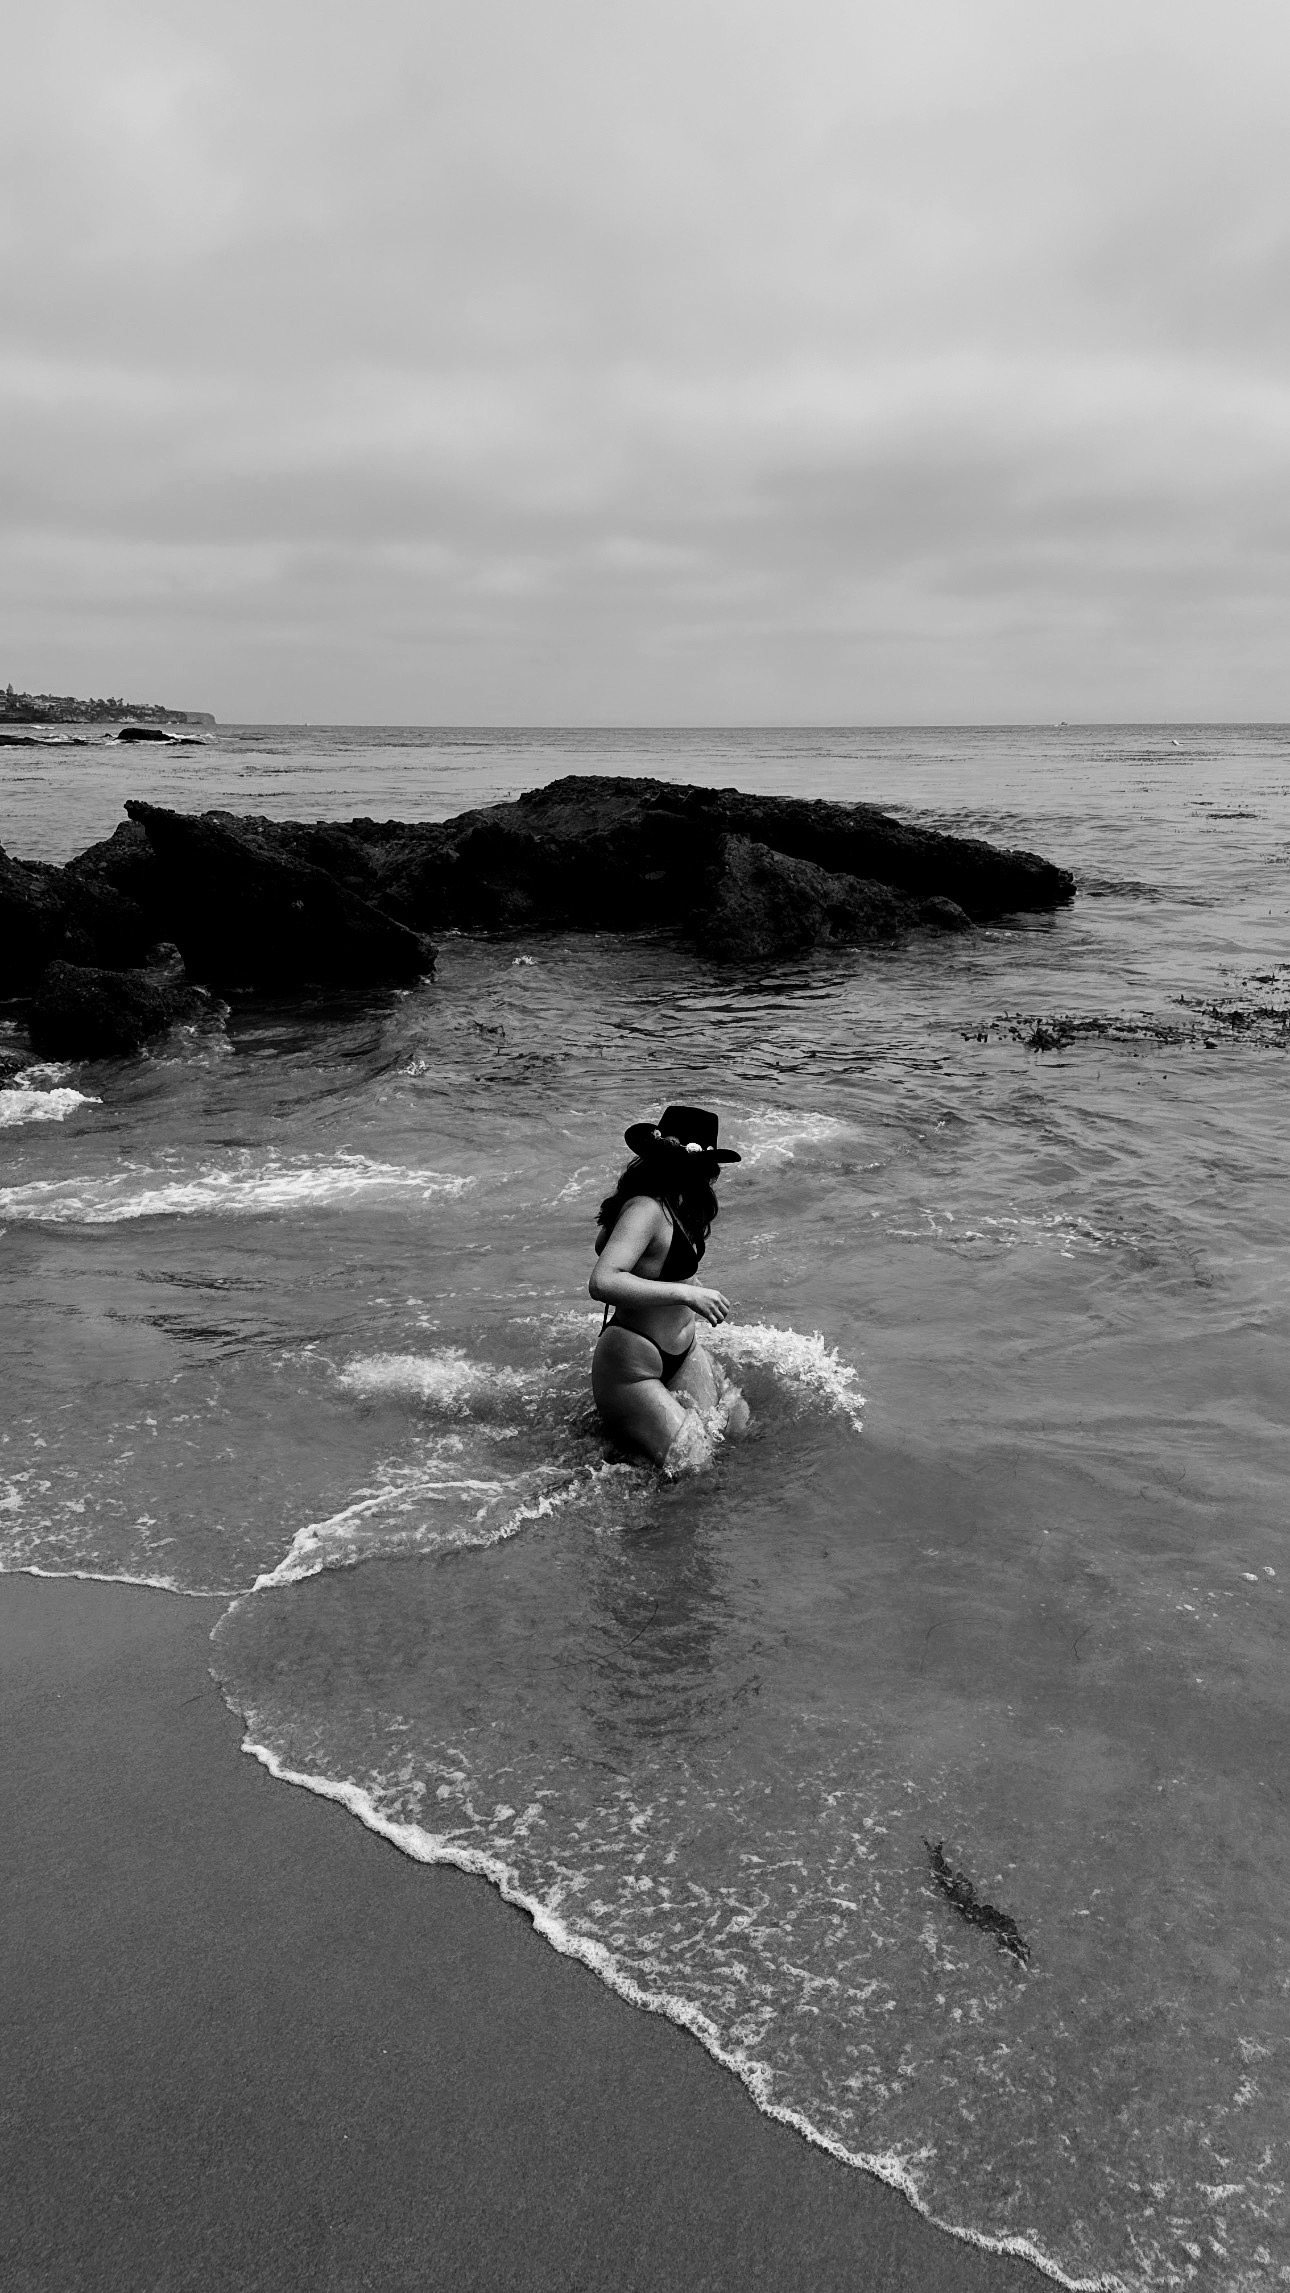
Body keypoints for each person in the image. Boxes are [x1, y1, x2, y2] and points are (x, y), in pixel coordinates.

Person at [589, 1104, 748, 1471]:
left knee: (737, 1425)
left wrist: (693, 1288)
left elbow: (660, 1266)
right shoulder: (645, 1209)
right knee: (695, 1467)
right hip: (634, 1362)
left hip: (682, 1350)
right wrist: (687, 1295)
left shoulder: (680, 1202)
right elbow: (602, 1281)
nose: (711, 1175)